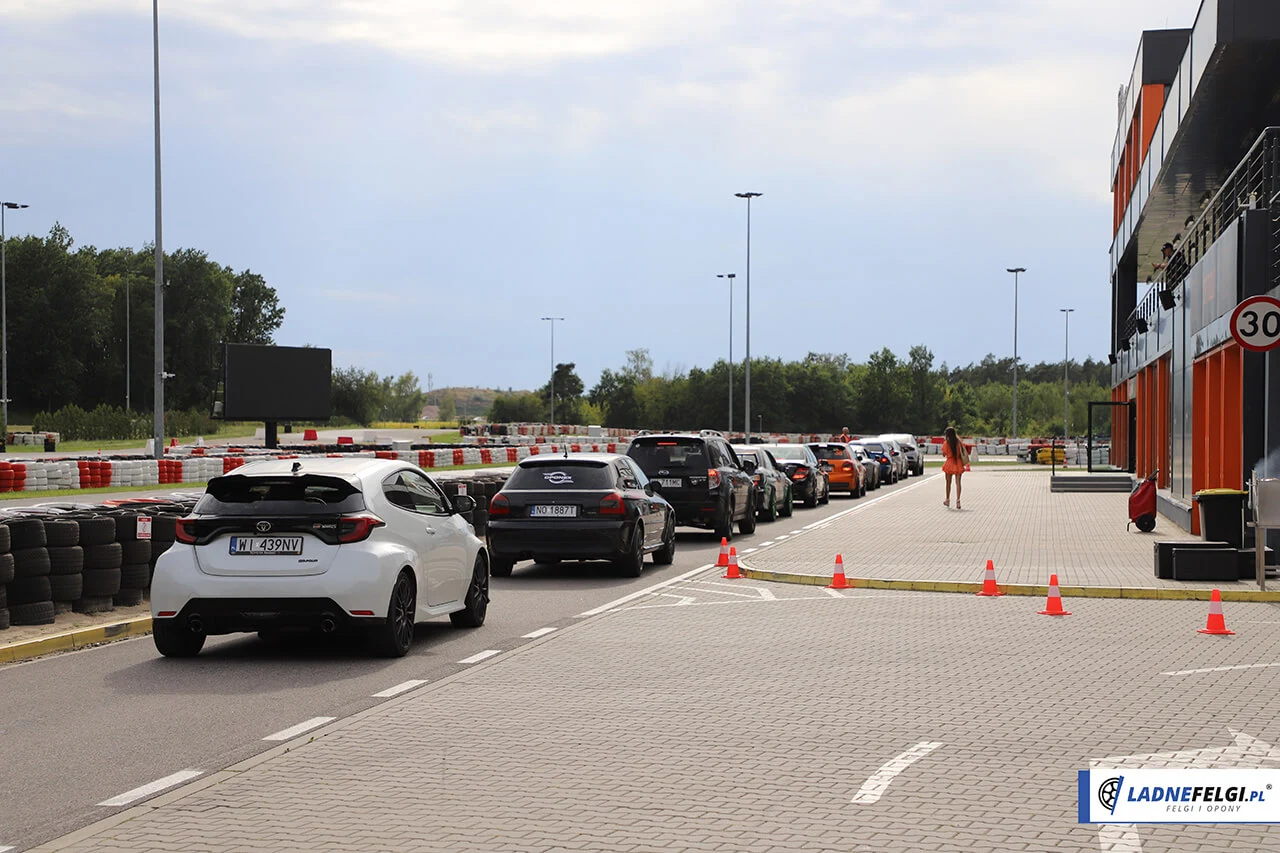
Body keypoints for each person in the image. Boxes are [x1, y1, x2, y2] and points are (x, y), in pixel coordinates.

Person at [941, 426, 968, 509]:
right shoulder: (959, 442)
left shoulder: (947, 443)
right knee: (958, 483)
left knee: (948, 483)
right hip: (958, 462)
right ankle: (958, 501)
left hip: (949, 462)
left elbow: (944, 453)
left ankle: (947, 499)